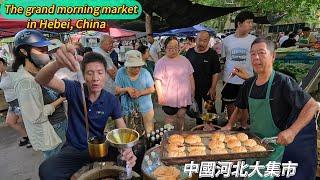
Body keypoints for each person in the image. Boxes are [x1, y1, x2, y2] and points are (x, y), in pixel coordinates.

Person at [222, 37, 318, 180]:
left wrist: (292, 131)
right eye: (253, 53)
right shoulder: (249, 83)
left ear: (273, 56)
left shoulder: (284, 82)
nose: (256, 57)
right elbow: (239, 106)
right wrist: (229, 125)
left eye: (261, 53)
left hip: (276, 148)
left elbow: (312, 105)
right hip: (254, 145)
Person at [35, 50, 137, 179]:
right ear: (83, 75)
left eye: (100, 73)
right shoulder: (74, 89)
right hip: (74, 149)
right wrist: (58, 64)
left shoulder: (111, 100)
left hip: (100, 148)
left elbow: (122, 129)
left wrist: (127, 149)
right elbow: (40, 79)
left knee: (131, 160)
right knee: (47, 170)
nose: (95, 78)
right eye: (90, 73)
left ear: (105, 75)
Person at [10, 29, 68, 158]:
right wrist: (60, 99)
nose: (45, 54)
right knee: (57, 168)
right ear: (24, 51)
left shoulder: (40, 70)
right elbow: (36, 116)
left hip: (61, 123)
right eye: (41, 51)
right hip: (52, 130)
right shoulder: (25, 82)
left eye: (46, 50)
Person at [221, 11, 256, 129]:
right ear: (239, 23)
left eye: (252, 22)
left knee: (245, 105)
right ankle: (232, 125)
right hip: (229, 78)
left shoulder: (254, 40)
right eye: (249, 22)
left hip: (247, 78)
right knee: (230, 103)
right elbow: (224, 58)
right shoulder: (226, 40)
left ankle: (244, 125)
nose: (251, 25)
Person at [154, 36, 195, 131]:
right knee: (170, 118)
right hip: (169, 96)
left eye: (176, 47)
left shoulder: (185, 60)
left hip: (183, 95)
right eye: (170, 48)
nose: (173, 50)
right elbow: (157, 80)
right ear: (165, 48)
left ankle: (180, 133)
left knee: (181, 115)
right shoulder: (160, 62)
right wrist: (160, 96)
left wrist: (193, 90)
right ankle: (168, 136)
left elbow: (190, 76)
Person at [115, 50, 155, 134]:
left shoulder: (145, 73)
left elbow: (152, 89)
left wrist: (140, 93)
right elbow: (116, 90)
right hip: (127, 109)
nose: (137, 69)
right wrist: (126, 89)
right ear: (127, 66)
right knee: (129, 134)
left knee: (149, 132)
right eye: (133, 67)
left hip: (145, 108)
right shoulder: (121, 73)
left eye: (139, 66)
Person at [186, 31, 221, 125]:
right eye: (199, 40)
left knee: (210, 109)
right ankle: (199, 127)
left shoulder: (212, 54)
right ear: (196, 39)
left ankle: (213, 127)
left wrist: (213, 88)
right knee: (197, 110)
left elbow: (216, 73)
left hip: (208, 89)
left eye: (205, 40)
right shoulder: (189, 52)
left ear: (208, 41)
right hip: (194, 88)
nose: (201, 43)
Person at [0, 57, 30, 148]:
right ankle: (27, 136)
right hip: (11, 103)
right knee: (10, 121)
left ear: (1, 63)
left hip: (18, 100)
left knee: (26, 121)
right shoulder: (2, 74)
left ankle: (33, 139)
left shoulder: (11, 71)